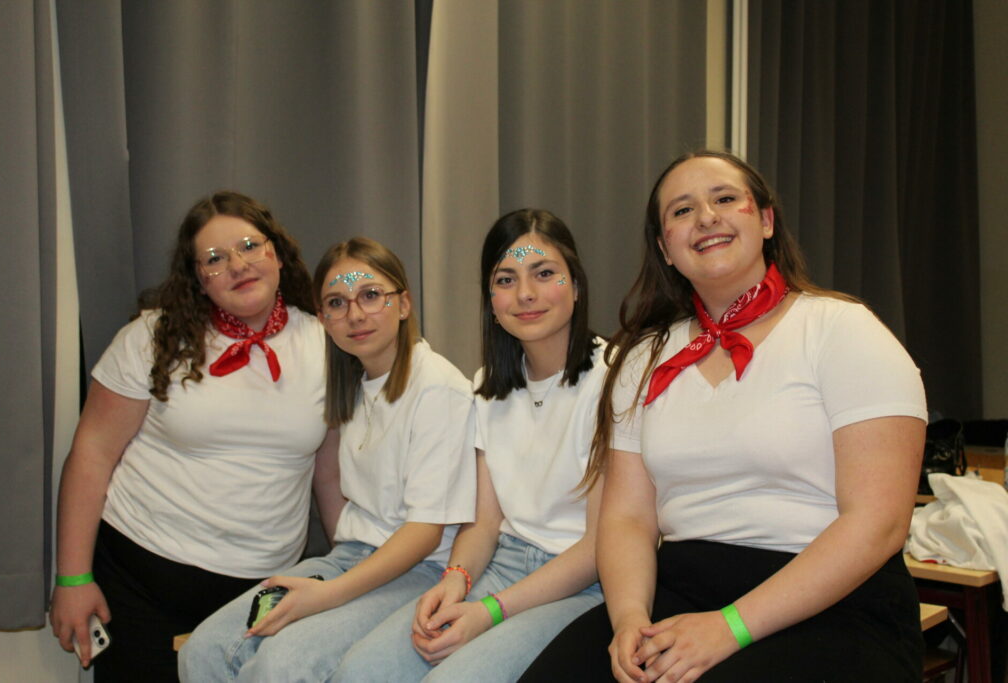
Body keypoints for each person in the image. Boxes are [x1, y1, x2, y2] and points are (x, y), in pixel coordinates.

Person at [521, 151, 928, 682]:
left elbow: (879, 523)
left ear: (766, 220)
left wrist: (730, 626)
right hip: (681, 591)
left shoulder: (843, 330)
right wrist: (629, 621)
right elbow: (628, 519)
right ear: (665, 248)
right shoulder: (643, 358)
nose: (706, 217)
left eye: (725, 199)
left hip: (832, 602)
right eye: (682, 210)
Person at [48, 191, 329, 681]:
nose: (237, 265)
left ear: (278, 254)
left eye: (250, 246)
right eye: (215, 258)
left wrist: (355, 572)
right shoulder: (151, 337)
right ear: (198, 278)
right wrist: (72, 578)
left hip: (260, 594)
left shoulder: (326, 344)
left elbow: (330, 474)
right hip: (141, 580)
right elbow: (92, 453)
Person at [178, 236, 476, 682]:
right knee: (205, 651)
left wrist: (331, 595)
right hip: (352, 557)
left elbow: (425, 531)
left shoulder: (437, 388)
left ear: (403, 304)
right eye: (337, 303)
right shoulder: (353, 381)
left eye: (371, 295)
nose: (355, 314)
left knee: (283, 666)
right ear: (323, 319)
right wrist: (336, 571)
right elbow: (336, 483)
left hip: (419, 569)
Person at [333, 209, 607, 682]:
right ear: (490, 300)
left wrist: (489, 611)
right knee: (362, 672)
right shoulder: (487, 386)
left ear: (576, 285)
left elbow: (601, 545)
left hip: (582, 585)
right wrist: (455, 580)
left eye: (544, 273)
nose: (525, 293)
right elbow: (484, 522)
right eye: (506, 279)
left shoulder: (614, 377)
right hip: (500, 564)